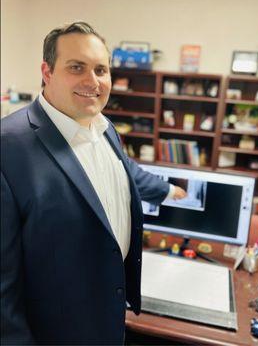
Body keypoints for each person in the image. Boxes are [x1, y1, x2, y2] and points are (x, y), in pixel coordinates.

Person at [1, 21, 187, 345]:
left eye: (101, 70)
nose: (93, 81)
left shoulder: (102, 126)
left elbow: (123, 171)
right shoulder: (7, 149)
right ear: (47, 72)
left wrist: (168, 190)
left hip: (109, 316)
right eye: (77, 67)